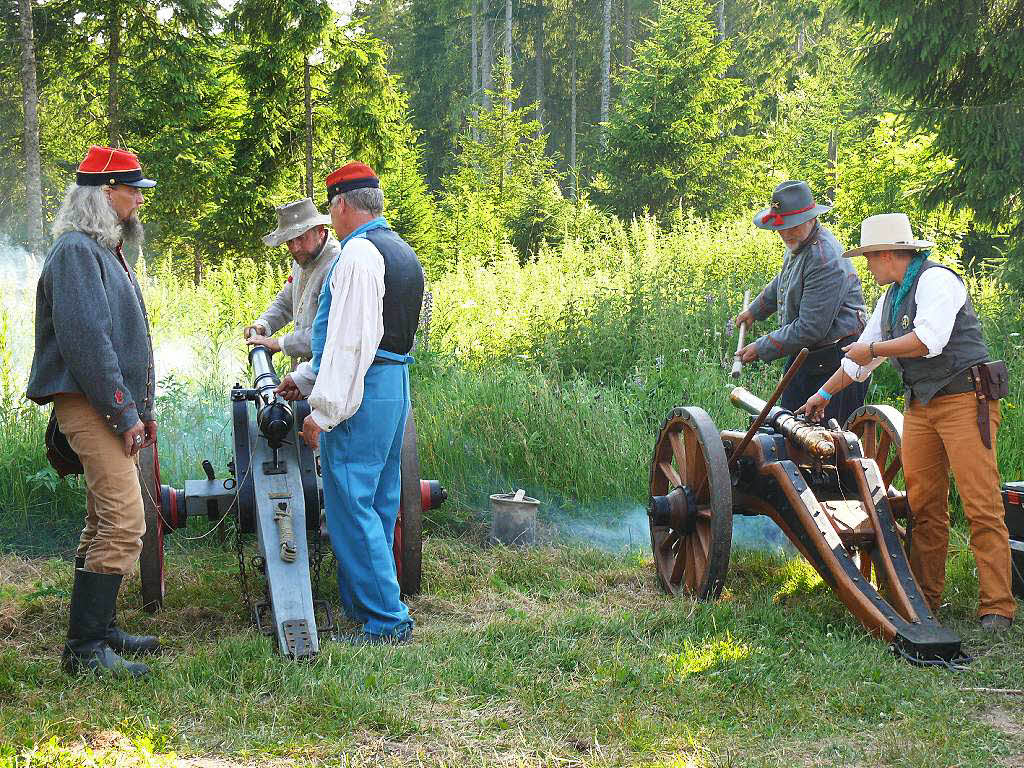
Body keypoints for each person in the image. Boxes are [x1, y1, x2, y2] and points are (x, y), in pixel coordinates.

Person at [799, 213, 1016, 632]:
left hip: (965, 402)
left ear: (885, 255)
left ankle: (998, 608)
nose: (866, 266)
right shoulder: (892, 297)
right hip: (920, 406)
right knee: (924, 508)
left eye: (868, 258)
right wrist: (822, 395)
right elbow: (860, 357)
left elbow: (926, 341)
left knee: (981, 505)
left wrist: (874, 348)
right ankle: (925, 601)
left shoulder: (937, 281)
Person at [26, 146, 161, 675]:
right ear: (105, 194)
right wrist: (125, 414)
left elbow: (119, 343)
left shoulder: (101, 250)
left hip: (105, 404)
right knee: (126, 523)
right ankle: (83, 651)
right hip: (89, 405)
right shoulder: (78, 252)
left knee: (103, 518)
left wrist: (138, 410)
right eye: (131, 190)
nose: (137, 201)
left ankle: (99, 631)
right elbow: (88, 344)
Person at [277, 162, 424, 645]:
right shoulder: (400, 250)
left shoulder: (358, 255)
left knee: (350, 504)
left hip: (363, 388)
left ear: (340, 205)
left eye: (331, 207)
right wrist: (303, 377)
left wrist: (323, 411)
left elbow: (349, 343)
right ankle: (365, 604)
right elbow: (368, 339)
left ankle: (387, 620)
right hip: (393, 385)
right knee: (379, 504)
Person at [734, 180, 869, 424]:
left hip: (838, 362)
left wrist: (762, 347)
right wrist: (755, 310)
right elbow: (784, 279)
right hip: (807, 357)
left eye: (791, 226)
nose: (785, 233)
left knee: (830, 448)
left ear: (811, 219)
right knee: (787, 429)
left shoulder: (824, 258)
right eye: (781, 226)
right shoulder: (799, 243)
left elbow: (810, 328)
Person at [244, 198, 339, 368]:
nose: (295, 248)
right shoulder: (303, 259)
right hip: (305, 372)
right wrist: (262, 325)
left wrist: (279, 343)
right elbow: (286, 302)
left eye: (301, 238)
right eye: (289, 241)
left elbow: (329, 333)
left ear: (320, 231)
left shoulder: (336, 265)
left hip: (329, 371)